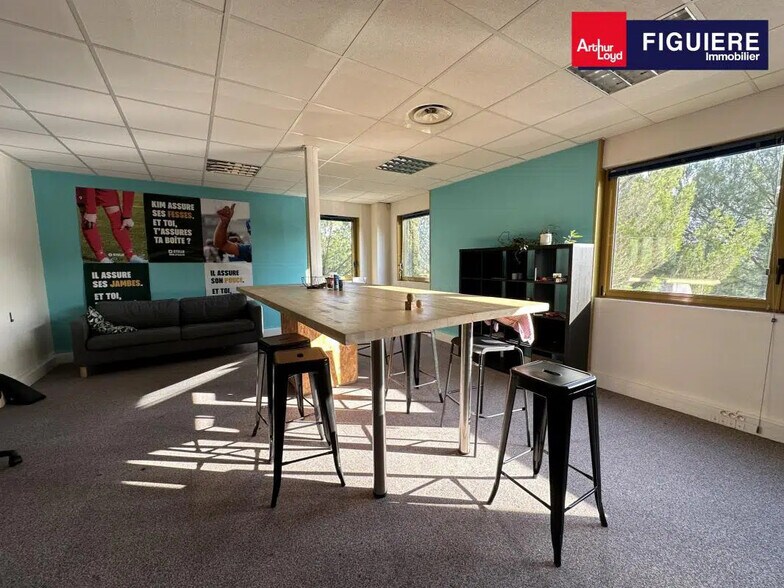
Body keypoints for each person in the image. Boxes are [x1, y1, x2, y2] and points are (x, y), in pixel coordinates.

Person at [76, 188, 146, 263]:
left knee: (117, 218)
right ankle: (102, 258)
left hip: (104, 187)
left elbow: (129, 187)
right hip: (86, 188)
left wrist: (127, 216)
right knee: (89, 221)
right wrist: (90, 211)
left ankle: (131, 256)